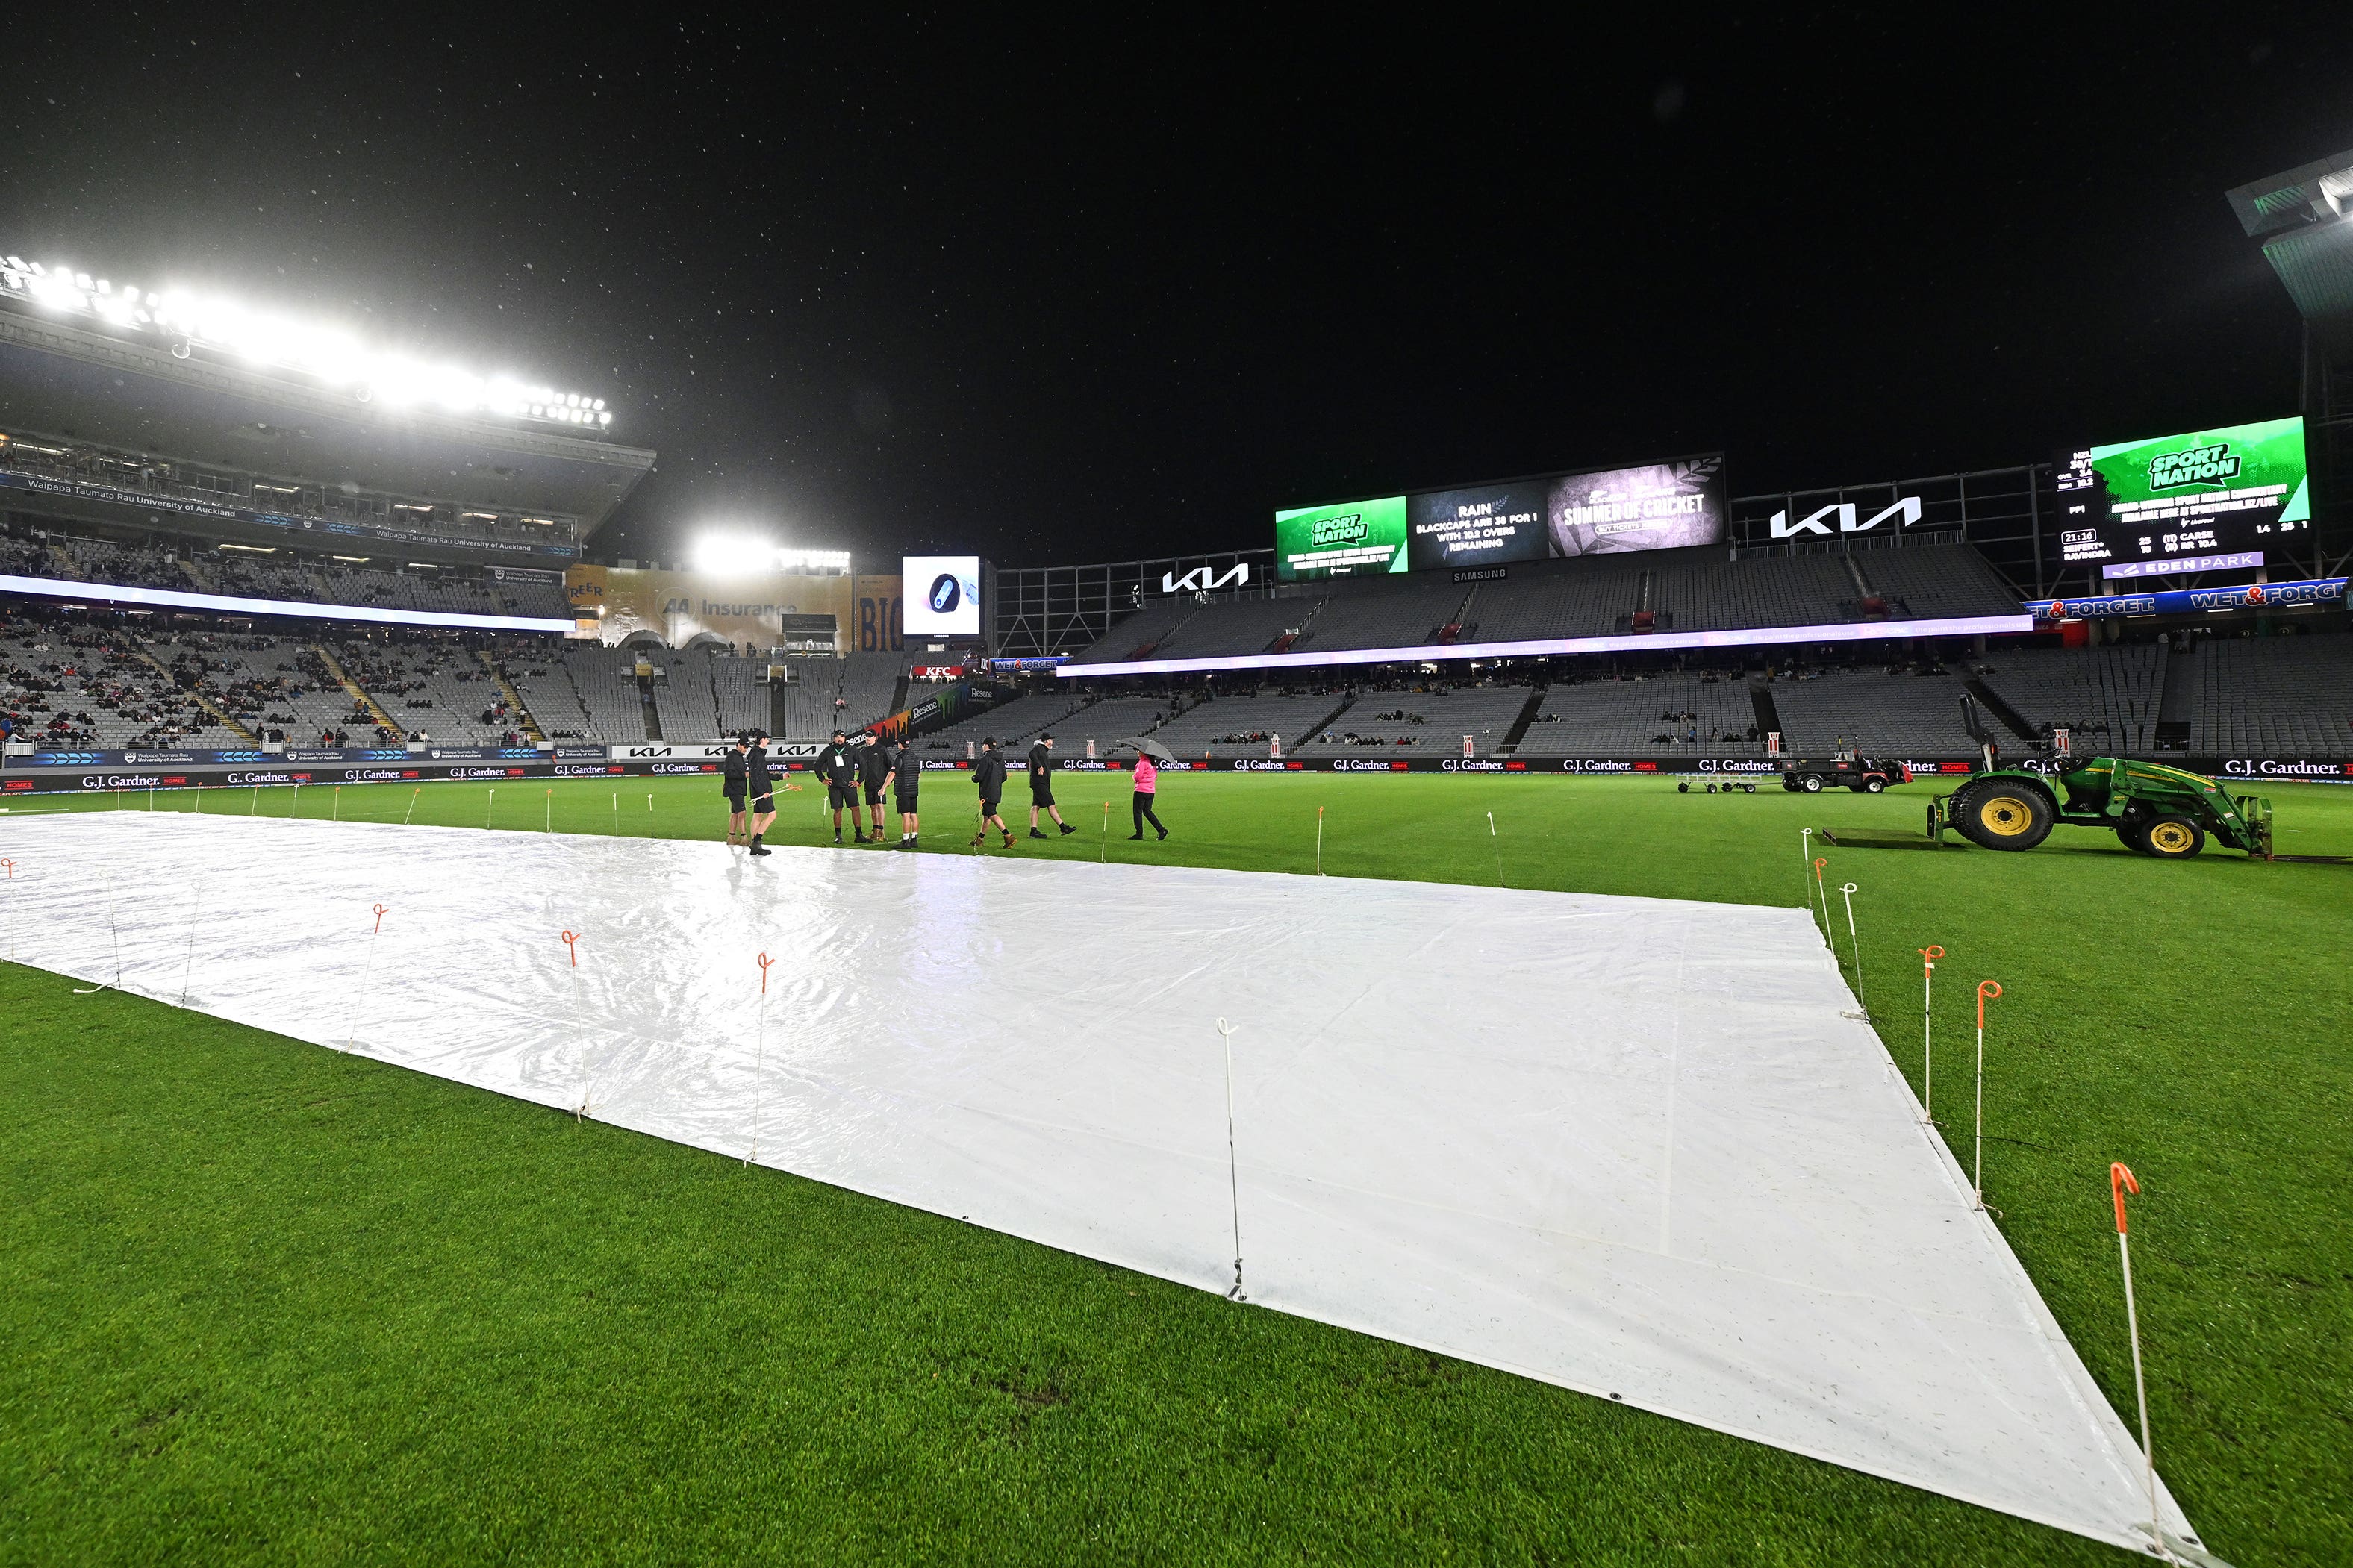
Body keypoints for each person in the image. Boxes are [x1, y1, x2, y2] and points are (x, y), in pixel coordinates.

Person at [816, 728, 861, 843]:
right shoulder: (828, 751)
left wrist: (859, 781)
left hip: (849, 785)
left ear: (844, 738)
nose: (839, 739)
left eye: (841, 737)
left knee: (855, 809)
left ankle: (859, 835)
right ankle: (838, 836)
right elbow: (817, 765)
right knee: (837, 810)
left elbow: (863, 765)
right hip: (834, 786)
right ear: (834, 738)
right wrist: (823, 779)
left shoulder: (852, 750)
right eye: (837, 737)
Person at [1026, 733, 1076, 838]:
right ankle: (1063, 827)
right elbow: (1031, 754)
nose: (1052, 742)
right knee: (1051, 805)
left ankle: (1033, 831)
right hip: (1040, 783)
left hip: (1039, 783)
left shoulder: (1041, 749)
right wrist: (1039, 766)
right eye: (1051, 740)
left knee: (1036, 806)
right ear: (1047, 741)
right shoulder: (1039, 748)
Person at [970, 737, 1015, 849]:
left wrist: (973, 778)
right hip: (996, 791)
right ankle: (980, 839)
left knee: (992, 814)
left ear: (986, 745)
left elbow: (979, 777)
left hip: (987, 792)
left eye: (983, 745)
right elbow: (1004, 777)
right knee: (987, 816)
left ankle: (1008, 836)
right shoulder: (1000, 759)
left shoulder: (985, 759)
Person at [857, 734, 894, 843]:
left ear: (875, 737)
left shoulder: (882, 749)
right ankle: (875, 831)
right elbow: (861, 769)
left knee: (879, 806)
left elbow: (891, 765)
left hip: (880, 783)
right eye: (867, 736)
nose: (868, 738)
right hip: (869, 784)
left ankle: (882, 832)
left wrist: (888, 782)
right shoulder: (863, 751)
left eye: (870, 736)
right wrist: (860, 781)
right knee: (872, 807)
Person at [745, 731, 776, 856]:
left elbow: (762, 775)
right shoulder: (757, 755)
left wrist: (780, 777)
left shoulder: (756, 754)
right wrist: (763, 792)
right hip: (761, 792)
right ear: (762, 740)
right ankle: (757, 841)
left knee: (758, 815)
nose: (768, 741)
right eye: (767, 739)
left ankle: (755, 846)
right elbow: (755, 777)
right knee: (772, 815)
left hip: (757, 791)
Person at [891, 734, 921, 848]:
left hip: (903, 790)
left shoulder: (900, 757)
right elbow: (918, 774)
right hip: (914, 790)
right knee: (914, 815)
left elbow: (893, 773)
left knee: (905, 816)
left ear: (900, 744)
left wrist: (884, 786)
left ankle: (905, 841)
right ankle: (914, 840)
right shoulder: (915, 757)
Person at [1130, 749, 1167, 840]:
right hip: (1151, 791)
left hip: (1141, 790)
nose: (1137, 752)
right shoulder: (1152, 763)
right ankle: (1161, 830)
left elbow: (1138, 777)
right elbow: (1155, 776)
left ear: (1143, 752)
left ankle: (1139, 834)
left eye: (1139, 750)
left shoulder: (1142, 763)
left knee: (1137, 812)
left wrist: (1133, 777)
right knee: (1147, 811)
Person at [722, 734, 750, 849]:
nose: (745, 749)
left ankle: (732, 837)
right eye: (744, 746)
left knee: (735, 813)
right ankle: (744, 837)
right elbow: (728, 773)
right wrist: (743, 775)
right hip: (735, 789)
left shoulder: (739, 757)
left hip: (736, 788)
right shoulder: (732, 757)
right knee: (742, 812)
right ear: (738, 745)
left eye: (747, 747)